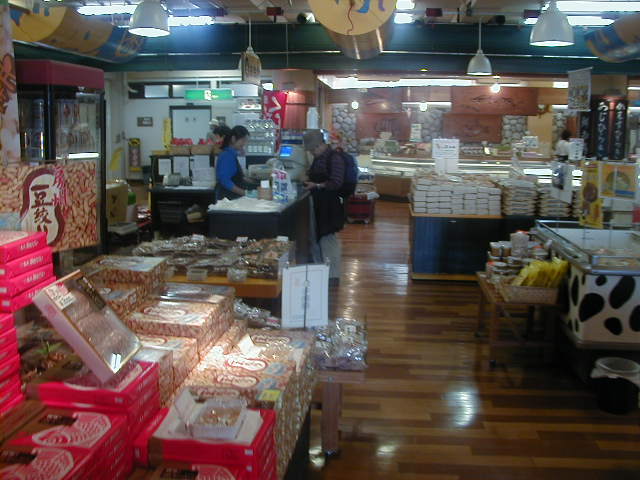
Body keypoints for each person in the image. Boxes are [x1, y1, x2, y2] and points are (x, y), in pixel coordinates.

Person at [303, 130, 346, 284]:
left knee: (328, 237)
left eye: (313, 149)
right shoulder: (319, 158)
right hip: (319, 203)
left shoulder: (335, 158)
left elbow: (336, 182)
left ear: (321, 145)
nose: (312, 152)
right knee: (318, 236)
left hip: (329, 205)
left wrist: (317, 185)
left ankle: (333, 275)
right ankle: (321, 271)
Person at [215, 125, 253, 201]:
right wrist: (245, 193)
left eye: (245, 141)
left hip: (231, 198)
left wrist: (254, 182)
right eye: (243, 140)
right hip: (227, 199)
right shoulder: (226, 156)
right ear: (233, 139)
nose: (244, 143)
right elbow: (225, 181)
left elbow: (236, 176)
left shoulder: (231, 154)